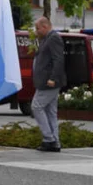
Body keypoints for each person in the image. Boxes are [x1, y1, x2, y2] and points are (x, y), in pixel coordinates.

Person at [30, 17, 65, 152]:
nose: (36, 31)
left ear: (45, 26)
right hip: (45, 81)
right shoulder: (46, 38)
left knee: (36, 106)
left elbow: (58, 59)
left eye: (38, 28)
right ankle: (55, 142)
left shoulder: (53, 38)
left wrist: (54, 78)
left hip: (49, 82)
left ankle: (48, 139)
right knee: (50, 112)